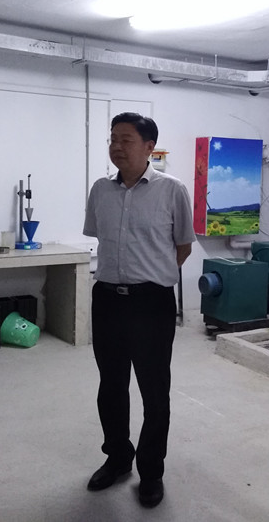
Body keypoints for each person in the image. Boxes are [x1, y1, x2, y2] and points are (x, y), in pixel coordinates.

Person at [82, 112, 194, 508]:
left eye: (126, 139)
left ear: (149, 147)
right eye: (113, 138)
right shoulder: (101, 190)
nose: (116, 146)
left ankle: (151, 471)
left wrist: (153, 276)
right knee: (111, 385)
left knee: (154, 390)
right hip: (107, 299)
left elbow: (183, 246)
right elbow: (100, 238)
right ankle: (117, 458)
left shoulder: (172, 190)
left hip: (152, 303)